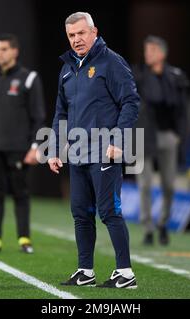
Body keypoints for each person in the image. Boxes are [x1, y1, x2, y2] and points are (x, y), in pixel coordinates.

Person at [48, 12, 139, 288]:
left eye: (81, 33)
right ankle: (85, 271)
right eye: (71, 35)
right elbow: (60, 113)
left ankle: (125, 273)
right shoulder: (67, 69)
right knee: (81, 213)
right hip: (77, 154)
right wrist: (54, 147)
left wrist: (118, 141)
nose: (76, 40)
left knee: (109, 211)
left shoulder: (111, 62)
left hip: (104, 152)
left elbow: (131, 102)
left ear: (94, 31)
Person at [0, 34, 46, 254]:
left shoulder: (29, 78)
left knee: (20, 194)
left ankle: (24, 239)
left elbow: (38, 116)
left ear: (15, 51)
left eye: (4, 49)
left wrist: (35, 147)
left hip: (19, 148)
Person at [133, 35, 189, 246]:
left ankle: (163, 223)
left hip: (167, 135)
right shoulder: (138, 75)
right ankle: (148, 228)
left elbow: (182, 111)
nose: (148, 54)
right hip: (142, 134)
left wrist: (180, 136)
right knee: (144, 184)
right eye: (147, 50)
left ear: (163, 54)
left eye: (153, 50)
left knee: (168, 185)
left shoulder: (175, 77)